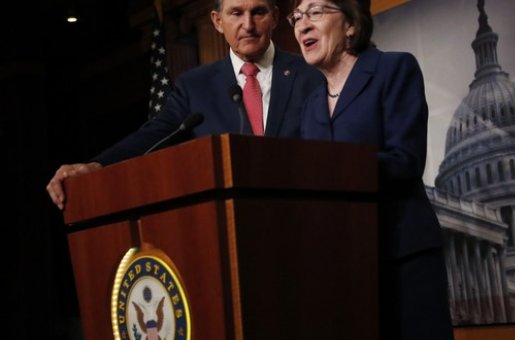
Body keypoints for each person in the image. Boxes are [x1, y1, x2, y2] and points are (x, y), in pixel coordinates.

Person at [46, 0, 323, 210]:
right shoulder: (195, 86)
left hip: (302, 212)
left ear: (275, 17)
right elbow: (155, 134)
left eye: (258, 12)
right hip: (229, 219)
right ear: (217, 21)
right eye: (236, 13)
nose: (248, 25)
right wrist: (95, 166)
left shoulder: (311, 74)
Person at [288, 1, 454, 339]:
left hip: (402, 255)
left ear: (351, 25)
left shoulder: (393, 69)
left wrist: (329, 169)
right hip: (344, 266)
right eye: (297, 17)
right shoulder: (309, 106)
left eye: (315, 12)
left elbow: (405, 161)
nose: (302, 25)